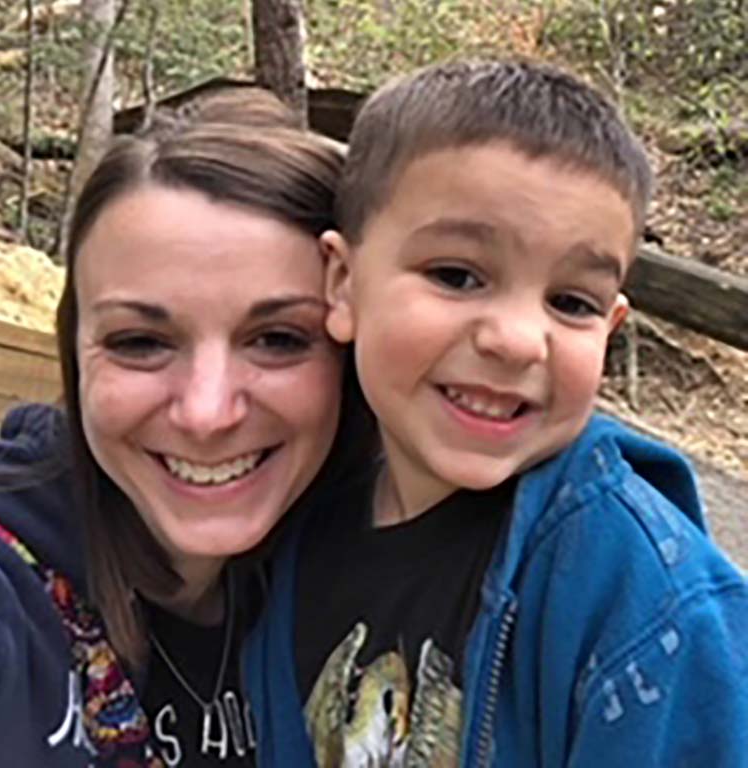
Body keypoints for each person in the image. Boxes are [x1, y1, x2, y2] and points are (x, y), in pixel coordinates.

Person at [245, 60, 748, 767]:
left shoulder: (649, 612)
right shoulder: (292, 511)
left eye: (571, 302)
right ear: (344, 282)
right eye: (457, 275)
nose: (515, 340)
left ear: (612, 325)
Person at [0, 90, 373, 767]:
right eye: (140, 342)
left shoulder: (385, 580)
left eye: (278, 339)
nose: (206, 411)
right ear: (75, 351)